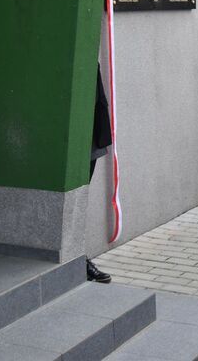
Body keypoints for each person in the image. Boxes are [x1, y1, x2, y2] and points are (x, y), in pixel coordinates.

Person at [86, 63, 113, 284]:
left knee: (80, 202)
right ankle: (79, 260)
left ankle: (78, 257)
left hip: (91, 136)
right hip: (68, 141)